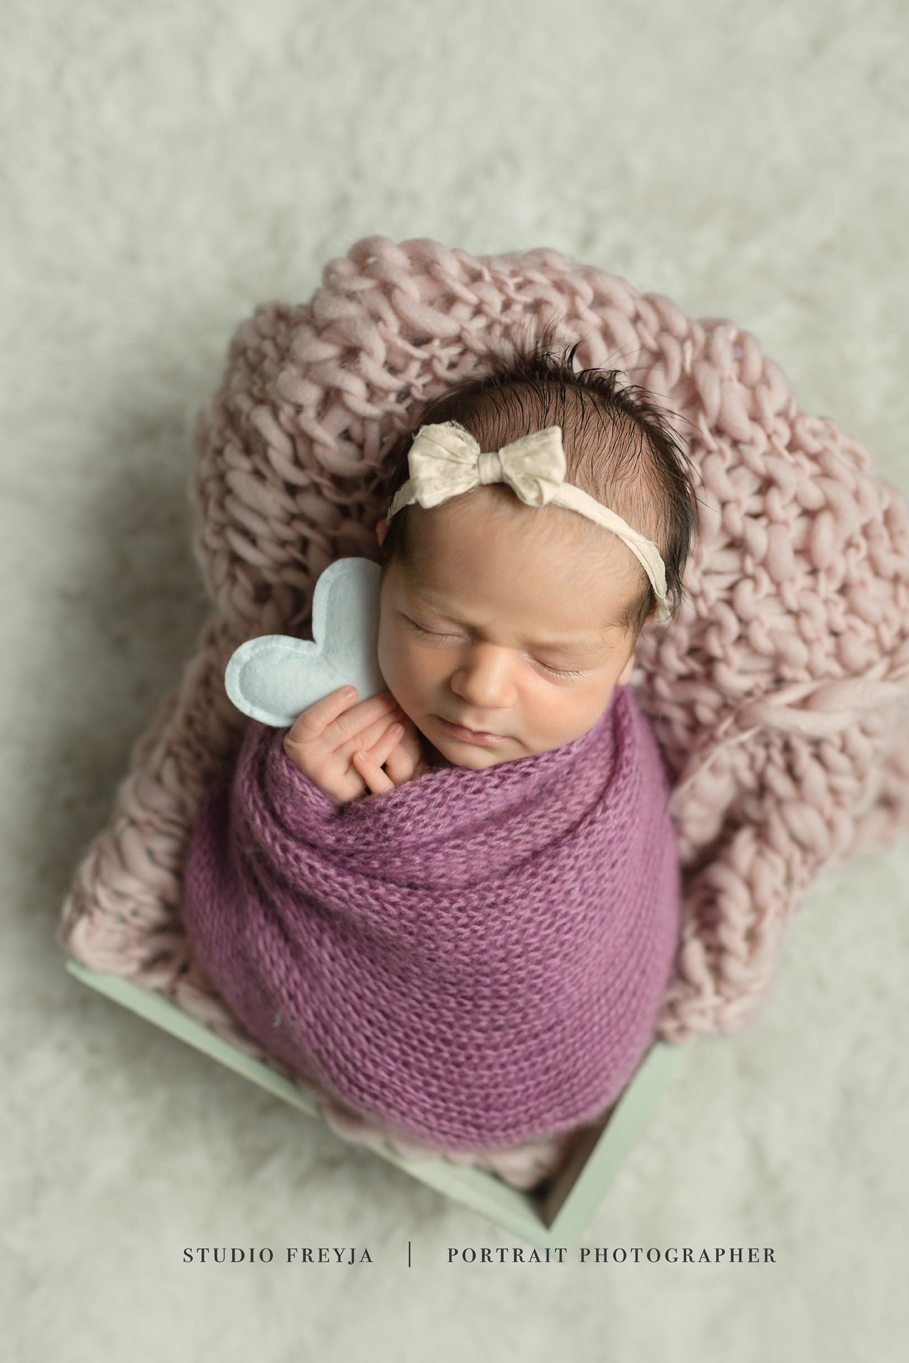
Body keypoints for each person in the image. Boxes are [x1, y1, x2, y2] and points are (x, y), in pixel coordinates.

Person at [182, 346, 698, 1186]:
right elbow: (262, 849)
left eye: (556, 664)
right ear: (387, 565)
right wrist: (307, 793)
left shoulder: (598, 769)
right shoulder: (337, 683)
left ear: (630, 653)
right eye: (438, 627)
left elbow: (601, 897)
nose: (482, 688)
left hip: (573, 1019)